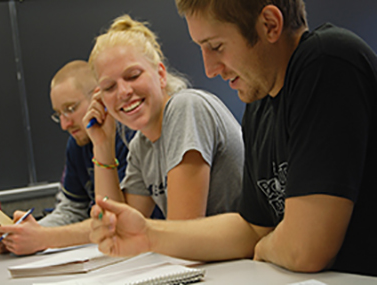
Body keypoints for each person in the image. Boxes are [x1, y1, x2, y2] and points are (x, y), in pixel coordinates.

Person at [90, 0, 377, 277]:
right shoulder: (259, 104)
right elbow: (250, 228)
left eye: (216, 47)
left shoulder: (327, 61)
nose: (210, 69)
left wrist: (266, 245)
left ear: (269, 24)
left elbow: (306, 249)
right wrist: (149, 235)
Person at [83, 15, 244, 220]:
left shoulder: (186, 108)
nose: (123, 92)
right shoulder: (141, 146)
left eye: (133, 76)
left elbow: (184, 232)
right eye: (109, 87)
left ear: (160, 74)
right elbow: (115, 225)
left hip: (247, 250)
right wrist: (102, 145)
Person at [0, 60, 131, 255]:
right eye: (58, 114)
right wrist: (22, 234)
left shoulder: (130, 137)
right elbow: (72, 209)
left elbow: (120, 221)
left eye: (70, 109)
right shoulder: (77, 143)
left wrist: (42, 237)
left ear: (98, 97)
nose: (64, 124)